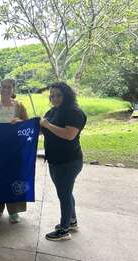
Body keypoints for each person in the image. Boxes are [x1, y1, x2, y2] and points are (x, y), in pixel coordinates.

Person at [40, 82, 87, 241]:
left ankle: (64, 229)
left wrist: (47, 124)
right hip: (55, 160)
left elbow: (69, 134)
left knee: (64, 193)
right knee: (66, 192)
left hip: (68, 161)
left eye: (58, 95)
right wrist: (25, 122)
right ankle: (72, 221)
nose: (54, 98)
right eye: (52, 95)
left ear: (66, 95)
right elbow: (44, 128)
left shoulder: (74, 113)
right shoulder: (53, 111)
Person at [0, 78, 29, 223]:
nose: (5, 89)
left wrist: (20, 122)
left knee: (13, 178)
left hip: (14, 150)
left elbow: (28, 125)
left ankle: (14, 211)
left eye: (8, 87)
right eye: (3, 86)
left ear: (13, 90)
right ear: (0, 88)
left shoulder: (20, 106)